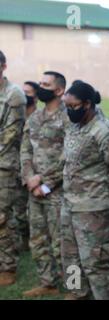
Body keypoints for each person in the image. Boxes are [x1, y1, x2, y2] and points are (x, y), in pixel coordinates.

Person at [61, 80, 109, 300]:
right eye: (66, 105)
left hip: (95, 210)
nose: (69, 110)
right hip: (69, 204)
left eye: (73, 106)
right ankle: (77, 294)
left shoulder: (107, 133)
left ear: (87, 104)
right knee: (70, 258)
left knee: (97, 263)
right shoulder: (75, 127)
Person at [20, 71, 70, 297]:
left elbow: (69, 157)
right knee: (38, 240)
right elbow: (25, 150)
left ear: (59, 90)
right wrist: (30, 178)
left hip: (58, 193)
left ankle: (74, 288)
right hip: (34, 190)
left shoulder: (69, 118)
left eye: (46, 84)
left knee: (64, 245)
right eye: (39, 83)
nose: (40, 87)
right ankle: (47, 283)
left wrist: (46, 182)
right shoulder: (34, 118)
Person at [0, 50, 26, 286]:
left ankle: (8, 267)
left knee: (3, 218)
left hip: (5, 167)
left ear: (3, 66)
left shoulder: (14, 95)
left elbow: (9, 137)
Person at [12, 80, 40, 253]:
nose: (24, 95)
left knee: (31, 210)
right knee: (17, 209)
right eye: (23, 91)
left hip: (34, 171)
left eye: (28, 92)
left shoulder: (39, 118)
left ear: (36, 97)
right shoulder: (17, 115)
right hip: (14, 168)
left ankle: (31, 241)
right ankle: (22, 243)